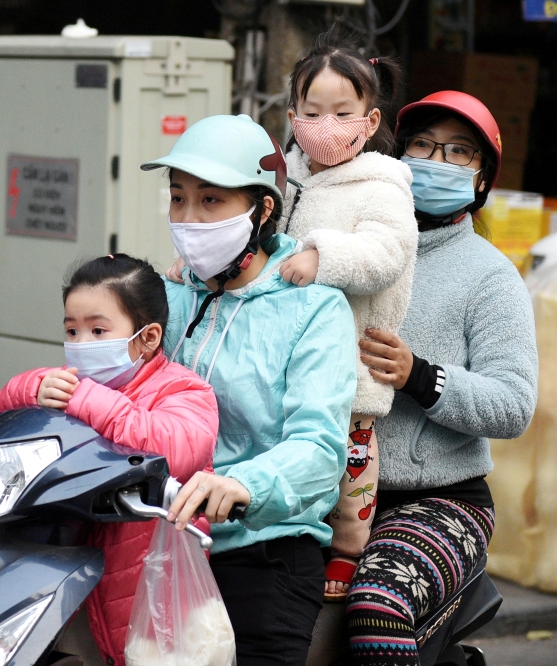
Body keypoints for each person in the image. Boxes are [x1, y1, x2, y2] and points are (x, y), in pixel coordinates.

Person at [0, 254, 218, 666]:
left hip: (146, 588)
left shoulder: (183, 391)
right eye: (71, 331)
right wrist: (28, 390)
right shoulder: (60, 386)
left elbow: (177, 448)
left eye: (98, 330)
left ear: (147, 338)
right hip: (64, 583)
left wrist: (86, 399)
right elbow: (0, 422)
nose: (80, 346)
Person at [152, 113, 358, 666]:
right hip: (152, 534)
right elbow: (100, 385)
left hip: (262, 549)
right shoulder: (162, 295)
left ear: (262, 210)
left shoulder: (314, 309)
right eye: (178, 199)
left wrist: (242, 484)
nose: (188, 219)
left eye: (210, 201)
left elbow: (319, 448)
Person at [342, 91, 538, 666]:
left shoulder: (490, 276)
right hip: (330, 488)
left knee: (378, 604)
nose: (437, 160)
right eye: (423, 146)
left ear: (481, 180)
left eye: (459, 152)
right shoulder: (355, 250)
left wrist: (419, 377)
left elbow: (514, 403)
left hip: (440, 502)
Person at [278, 30, 418, 599]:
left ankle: (346, 549)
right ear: (292, 115)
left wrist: (322, 256)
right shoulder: (282, 178)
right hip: (284, 349)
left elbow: (386, 254)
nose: (325, 124)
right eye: (312, 111)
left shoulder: (383, 185)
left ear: (369, 118)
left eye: (342, 111)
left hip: (352, 353)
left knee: (351, 452)